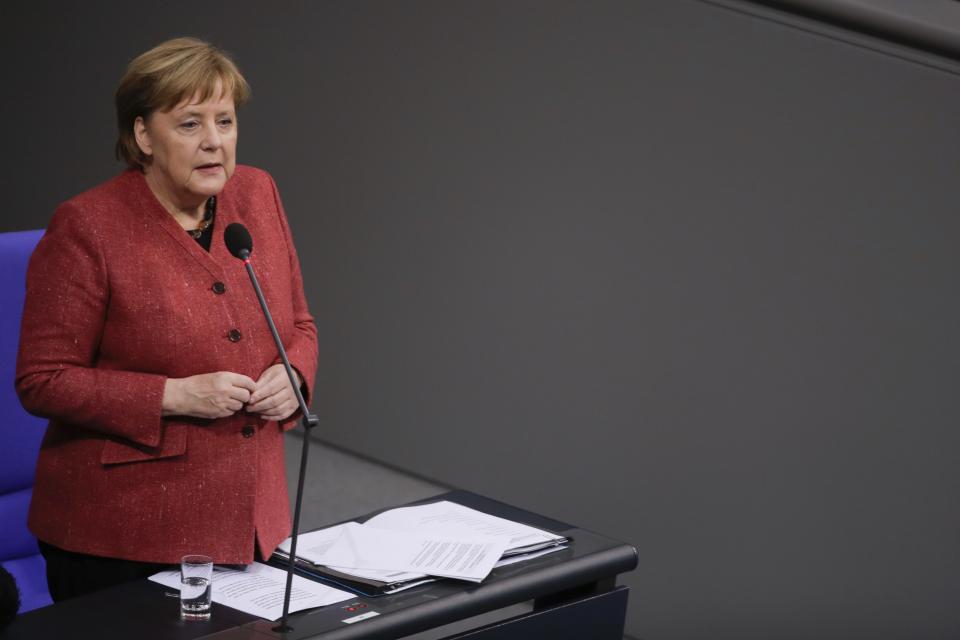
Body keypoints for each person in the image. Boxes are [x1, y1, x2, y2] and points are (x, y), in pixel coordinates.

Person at [15, 37, 317, 602]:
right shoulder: (88, 228)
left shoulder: (257, 193)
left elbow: (300, 324)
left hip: (253, 520)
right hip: (121, 536)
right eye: (189, 124)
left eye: (224, 121)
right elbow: (43, 380)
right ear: (142, 136)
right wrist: (173, 396)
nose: (213, 142)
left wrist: (293, 374)